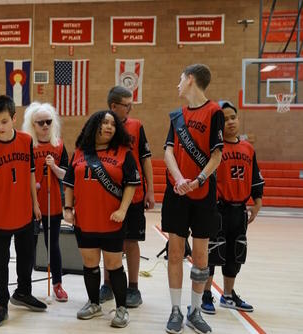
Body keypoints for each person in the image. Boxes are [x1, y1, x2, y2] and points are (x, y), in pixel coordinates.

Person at [0, 96, 47, 327]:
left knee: (26, 258)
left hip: (24, 212)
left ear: (14, 118)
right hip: (1, 215)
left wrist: (35, 204)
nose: (0, 127)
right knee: (1, 263)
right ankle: (1, 304)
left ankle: (23, 292)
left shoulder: (26, 141)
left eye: (4, 121)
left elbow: (31, 173)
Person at [57, 110, 140, 328]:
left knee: (114, 266)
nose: (109, 127)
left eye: (113, 124)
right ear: (95, 125)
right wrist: (67, 208)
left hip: (112, 221)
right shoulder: (80, 152)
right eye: (104, 123)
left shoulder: (123, 153)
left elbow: (131, 184)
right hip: (84, 220)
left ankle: (121, 309)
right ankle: (94, 304)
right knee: (90, 264)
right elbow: (70, 184)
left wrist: (123, 210)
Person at [161, 64, 225, 333]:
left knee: (200, 256)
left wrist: (198, 180)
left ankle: (195, 310)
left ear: (189, 80)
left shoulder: (215, 112)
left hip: (203, 193)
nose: (177, 84)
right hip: (177, 192)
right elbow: (168, 151)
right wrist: (179, 180)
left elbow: (217, 154)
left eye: (179, 78)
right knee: (175, 252)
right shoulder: (177, 115)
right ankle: (176, 310)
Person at [202, 102, 260, 314]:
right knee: (213, 252)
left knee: (236, 252)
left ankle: (228, 295)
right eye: (225, 119)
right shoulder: (214, 149)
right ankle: (206, 294)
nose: (230, 122)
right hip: (217, 208)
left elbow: (255, 178)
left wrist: (257, 203)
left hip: (239, 209)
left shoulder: (248, 148)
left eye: (233, 117)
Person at [101, 86, 154, 309]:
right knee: (108, 242)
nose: (130, 109)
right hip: (108, 193)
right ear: (114, 106)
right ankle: (107, 284)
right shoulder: (101, 125)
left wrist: (150, 190)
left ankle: (133, 287)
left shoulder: (137, 126)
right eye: (127, 105)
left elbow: (146, 159)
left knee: (131, 242)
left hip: (134, 195)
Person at [21, 102, 72, 303]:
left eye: (48, 122)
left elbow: (67, 175)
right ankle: (25, 287)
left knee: (53, 246)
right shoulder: (27, 145)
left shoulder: (59, 145)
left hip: (52, 204)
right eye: (40, 122)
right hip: (31, 204)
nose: (44, 126)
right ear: (32, 125)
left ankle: (58, 284)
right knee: (28, 246)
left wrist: (55, 168)